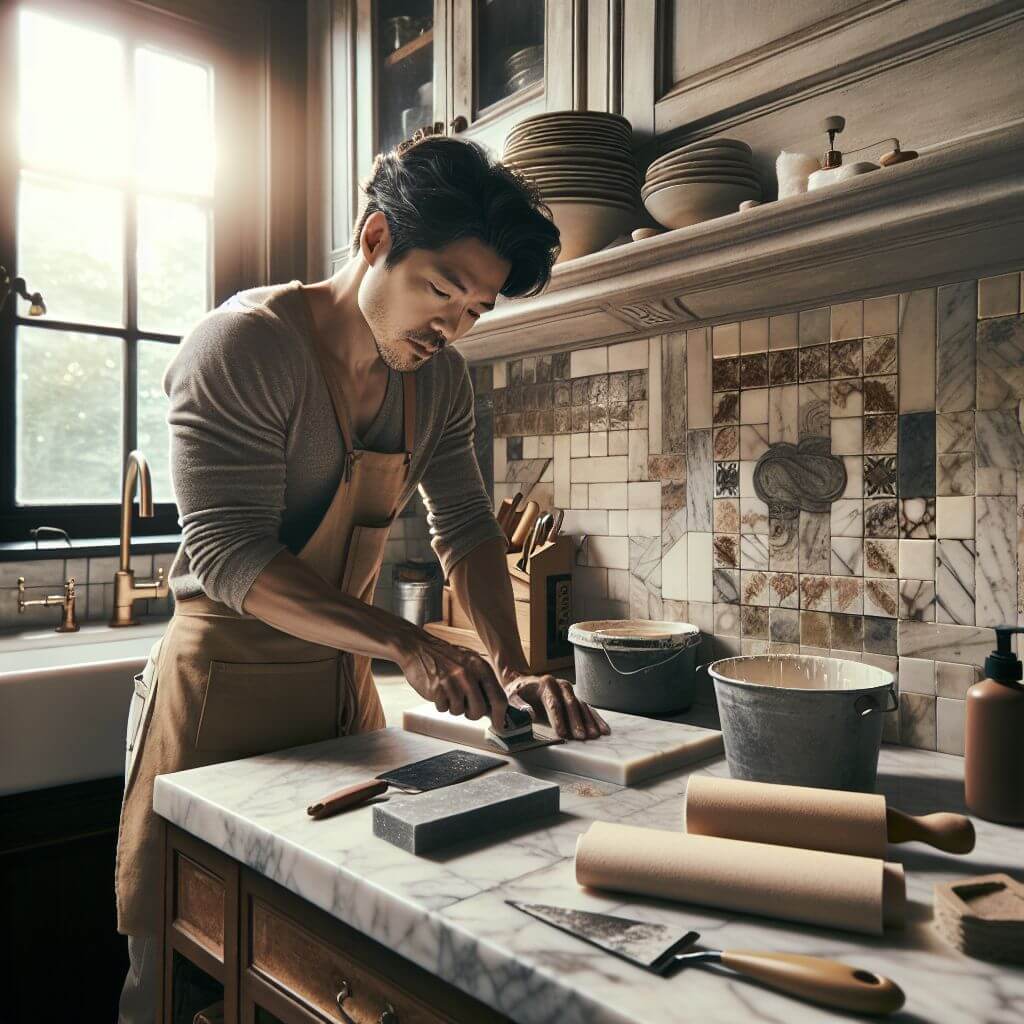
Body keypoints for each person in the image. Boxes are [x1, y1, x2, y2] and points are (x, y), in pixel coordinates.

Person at [115, 133, 609, 1023]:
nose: (451, 328)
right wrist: (405, 640)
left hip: (345, 704)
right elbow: (228, 555)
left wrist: (513, 665)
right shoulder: (242, 346)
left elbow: (464, 526)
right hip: (222, 694)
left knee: (322, 966)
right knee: (188, 973)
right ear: (375, 238)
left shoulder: (442, 384)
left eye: (474, 313)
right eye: (441, 293)